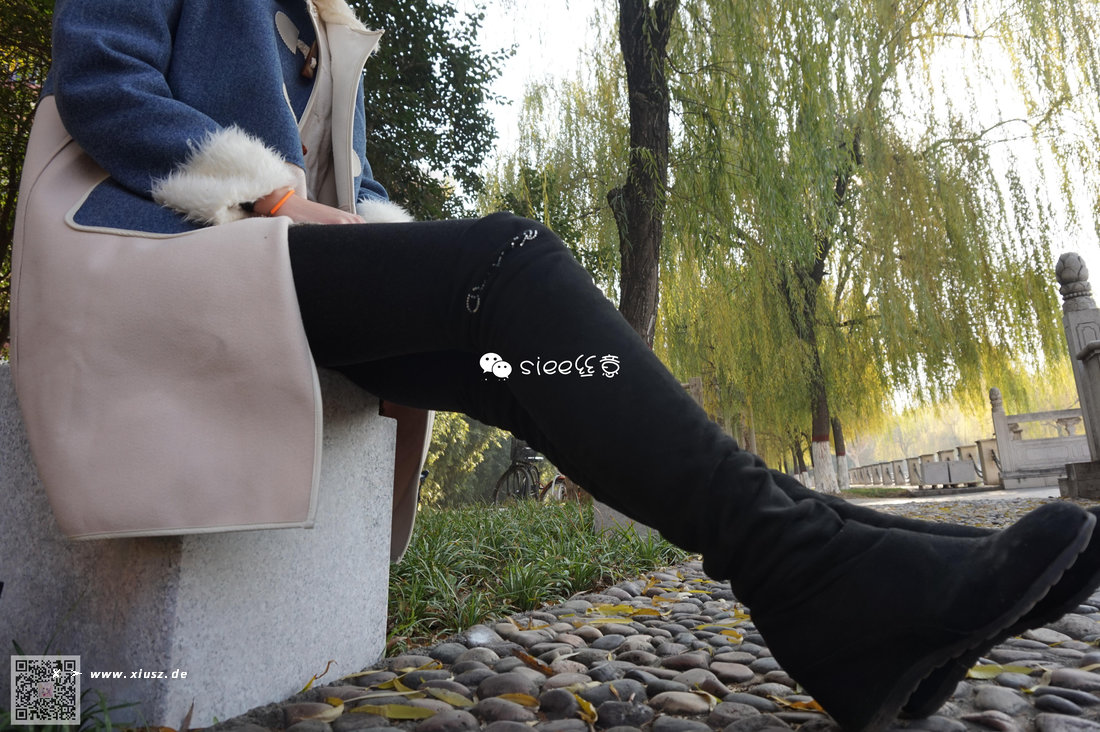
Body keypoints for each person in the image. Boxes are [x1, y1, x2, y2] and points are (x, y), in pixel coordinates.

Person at [10, 2, 1100, 730]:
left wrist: (367, 231)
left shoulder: (328, 18)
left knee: (514, 356)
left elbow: (354, 188)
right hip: (150, 254)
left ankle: (857, 573)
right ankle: (829, 582)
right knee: (509, 258)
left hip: (261, 265)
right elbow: (104, 83)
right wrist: (284, 200)